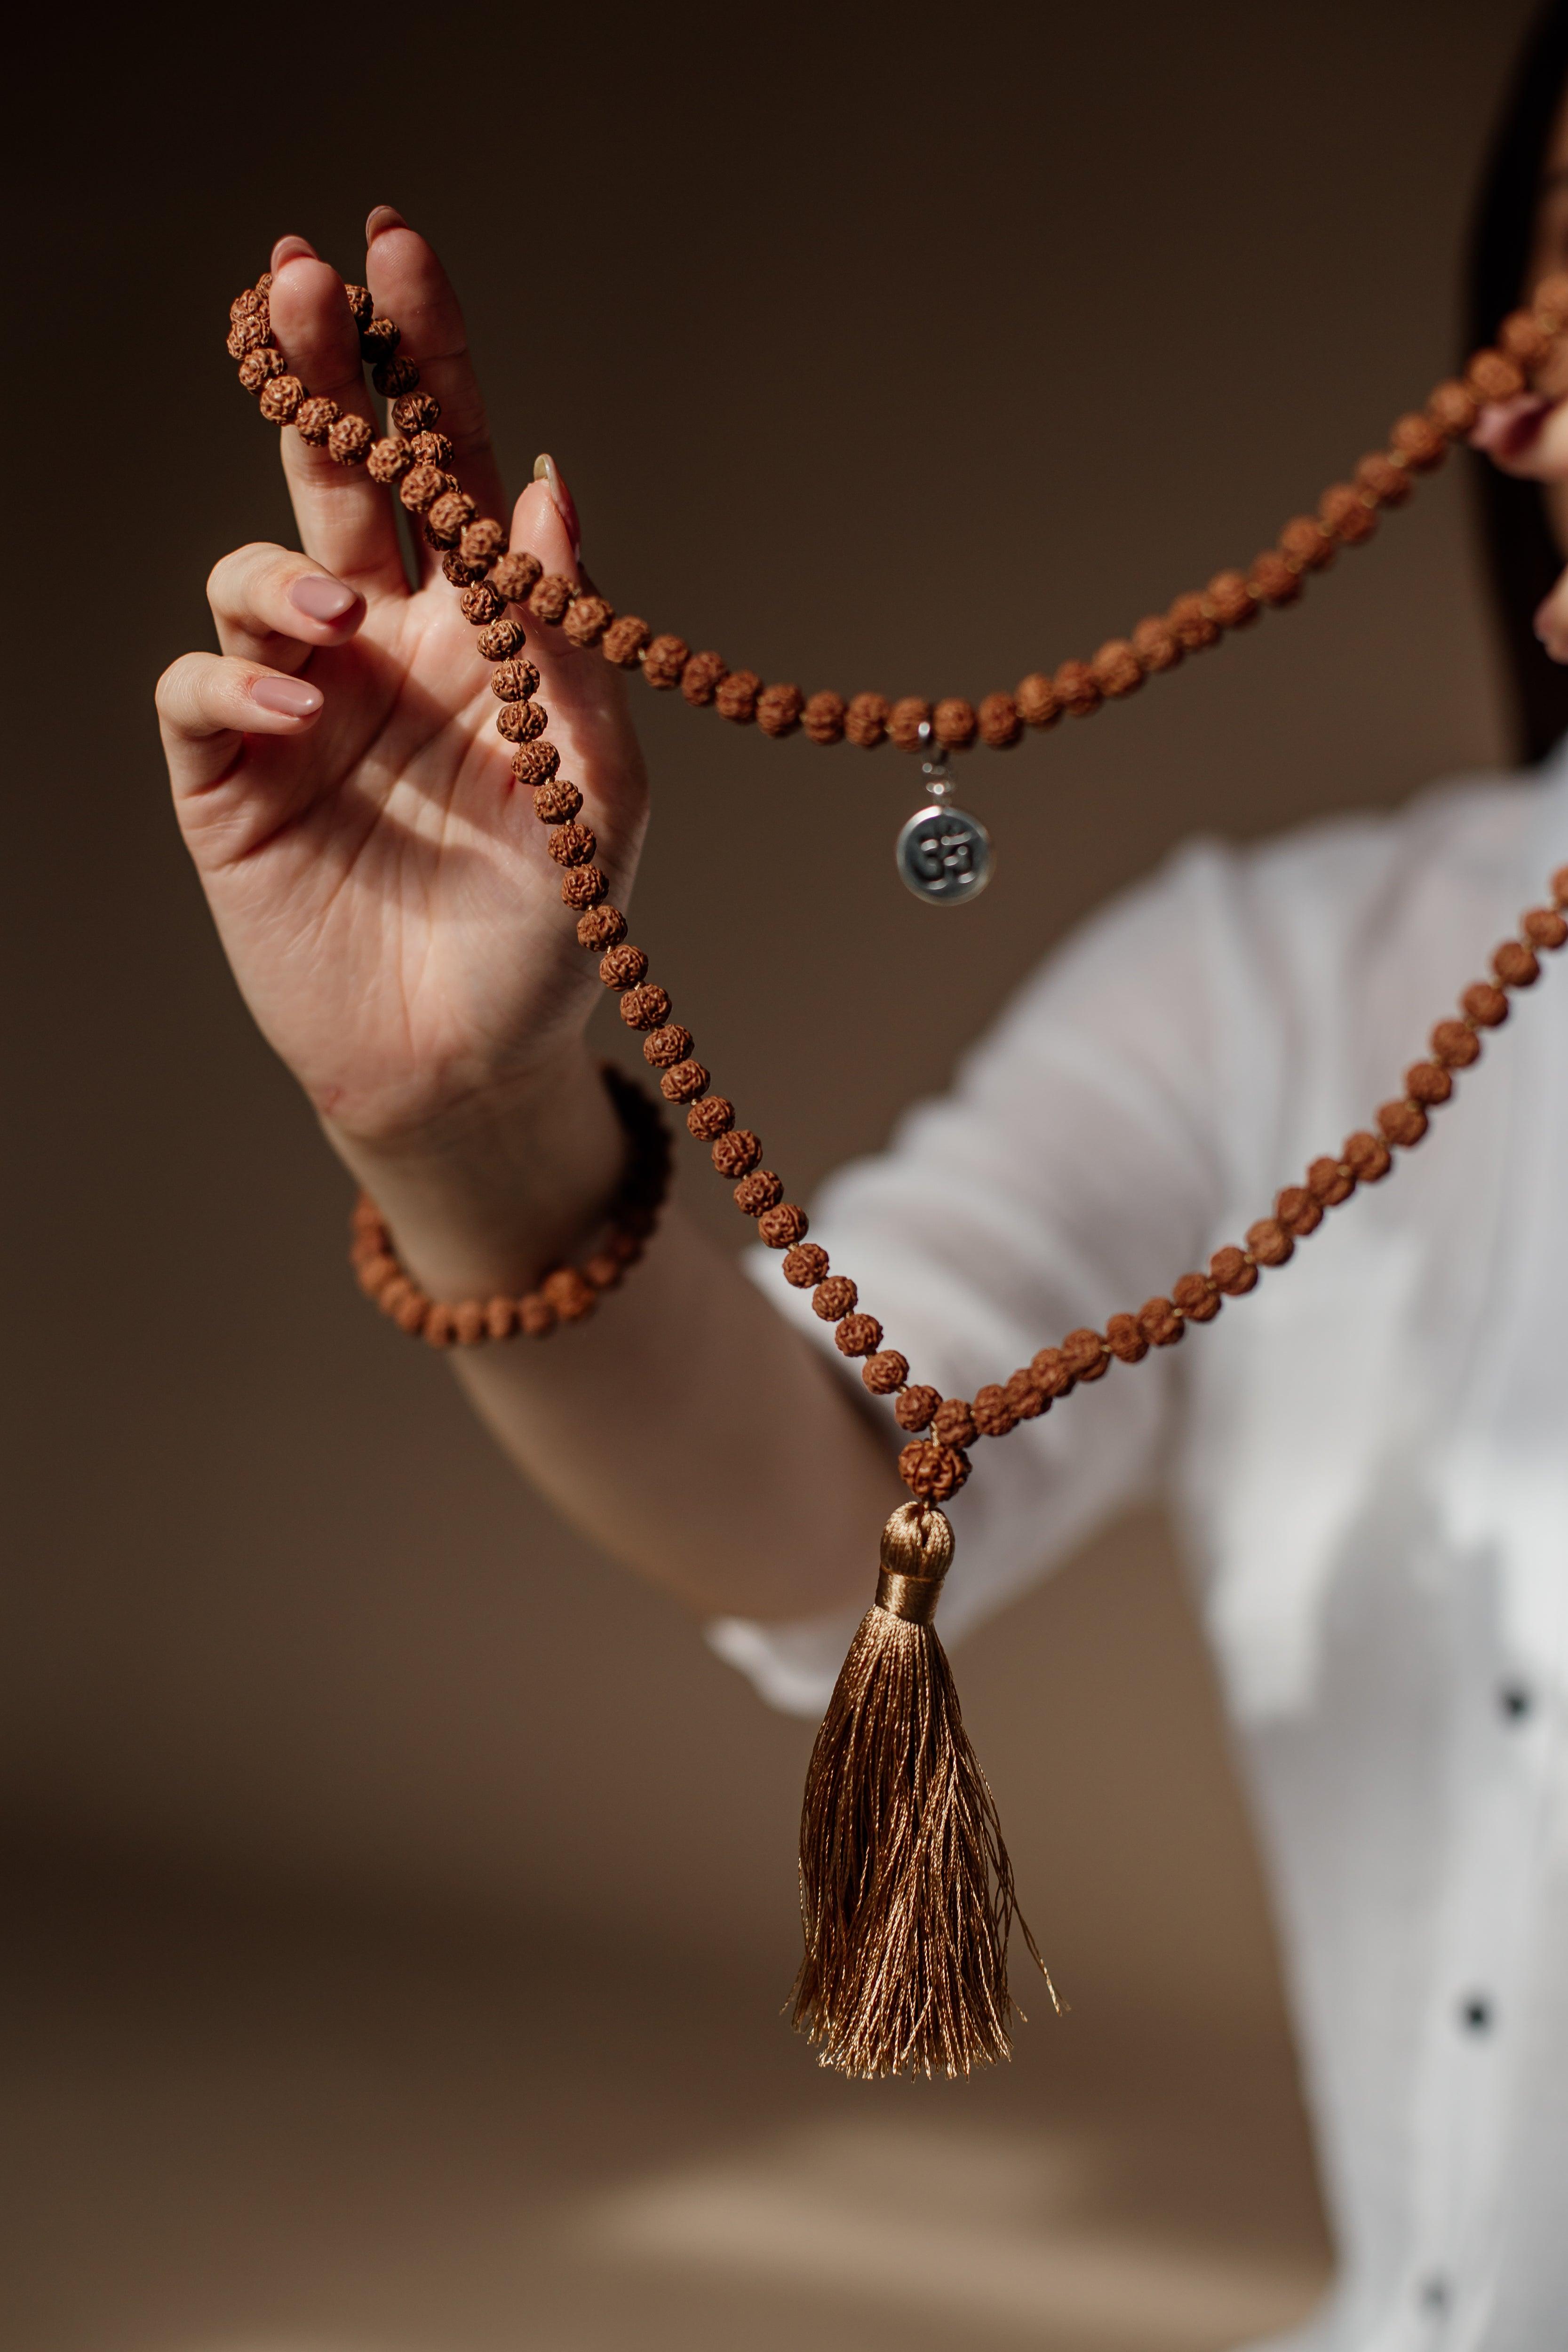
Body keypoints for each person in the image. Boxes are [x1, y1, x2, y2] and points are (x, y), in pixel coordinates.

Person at [156, 10, 1568, 2346]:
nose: (1531, 399)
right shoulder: (1295, 988)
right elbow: (824, 1500)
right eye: (1545, 307)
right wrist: (457, 1121)